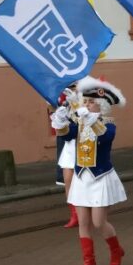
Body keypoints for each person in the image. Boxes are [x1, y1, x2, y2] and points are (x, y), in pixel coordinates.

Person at [50, 76, 128, 265]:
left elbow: (102, 135)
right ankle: (89, 262)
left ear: (101, 105)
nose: (86, 104)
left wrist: (84, 115)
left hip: (100, 177)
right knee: (83, 222)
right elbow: (66, 134)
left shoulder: (109, 125)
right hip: (81, 177)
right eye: (85, 101)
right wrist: (60, 119)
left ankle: (116, 250)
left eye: (91, 101)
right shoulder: (81, 122)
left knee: (99, 222)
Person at [55, 83, 81, 228]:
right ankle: (74, 215)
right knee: (68, 180)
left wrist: (77, 105)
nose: (71, 87)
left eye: (74, 84)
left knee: (83, 180)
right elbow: (60, 129)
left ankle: (86, 212)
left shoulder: (87, 96)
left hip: (83, 143)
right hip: (69, 145)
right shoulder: (62, 97)